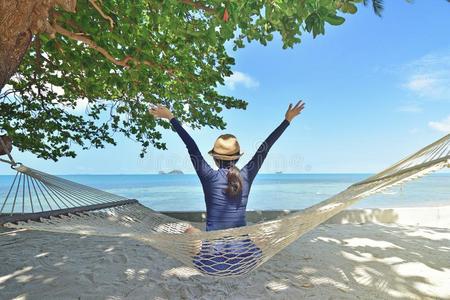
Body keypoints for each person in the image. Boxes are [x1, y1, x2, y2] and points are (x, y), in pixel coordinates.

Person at [149, 100, 305, 274]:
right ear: (237, 158)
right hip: (247, 260)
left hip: (209, 262)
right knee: (259, 233)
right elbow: (265, 148)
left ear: (215, 158)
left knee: (189, 230)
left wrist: (170, 117)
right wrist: (287, 120)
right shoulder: (246, 175)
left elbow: (190, 145)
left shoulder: (208, 176)